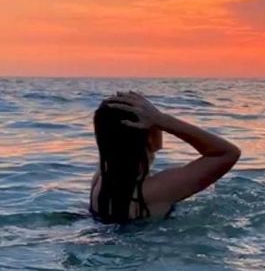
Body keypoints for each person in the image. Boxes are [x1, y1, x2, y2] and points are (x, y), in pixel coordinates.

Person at [90, 91, 241, 224]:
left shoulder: (100, 179)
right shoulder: (155, 190)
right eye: (155, 123)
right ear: (149, 137)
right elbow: (227, 153)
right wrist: (162, 119)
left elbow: (114, 137)